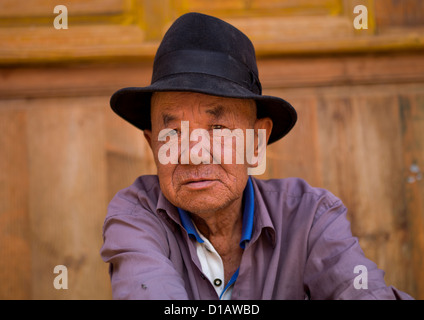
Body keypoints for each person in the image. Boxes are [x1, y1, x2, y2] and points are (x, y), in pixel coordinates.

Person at [100, 12, 413, 300]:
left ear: (256, 142)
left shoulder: (309, 217)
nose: (193, 155)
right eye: (174, 133)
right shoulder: (136, 215)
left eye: (218, 127)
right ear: (153, 144)